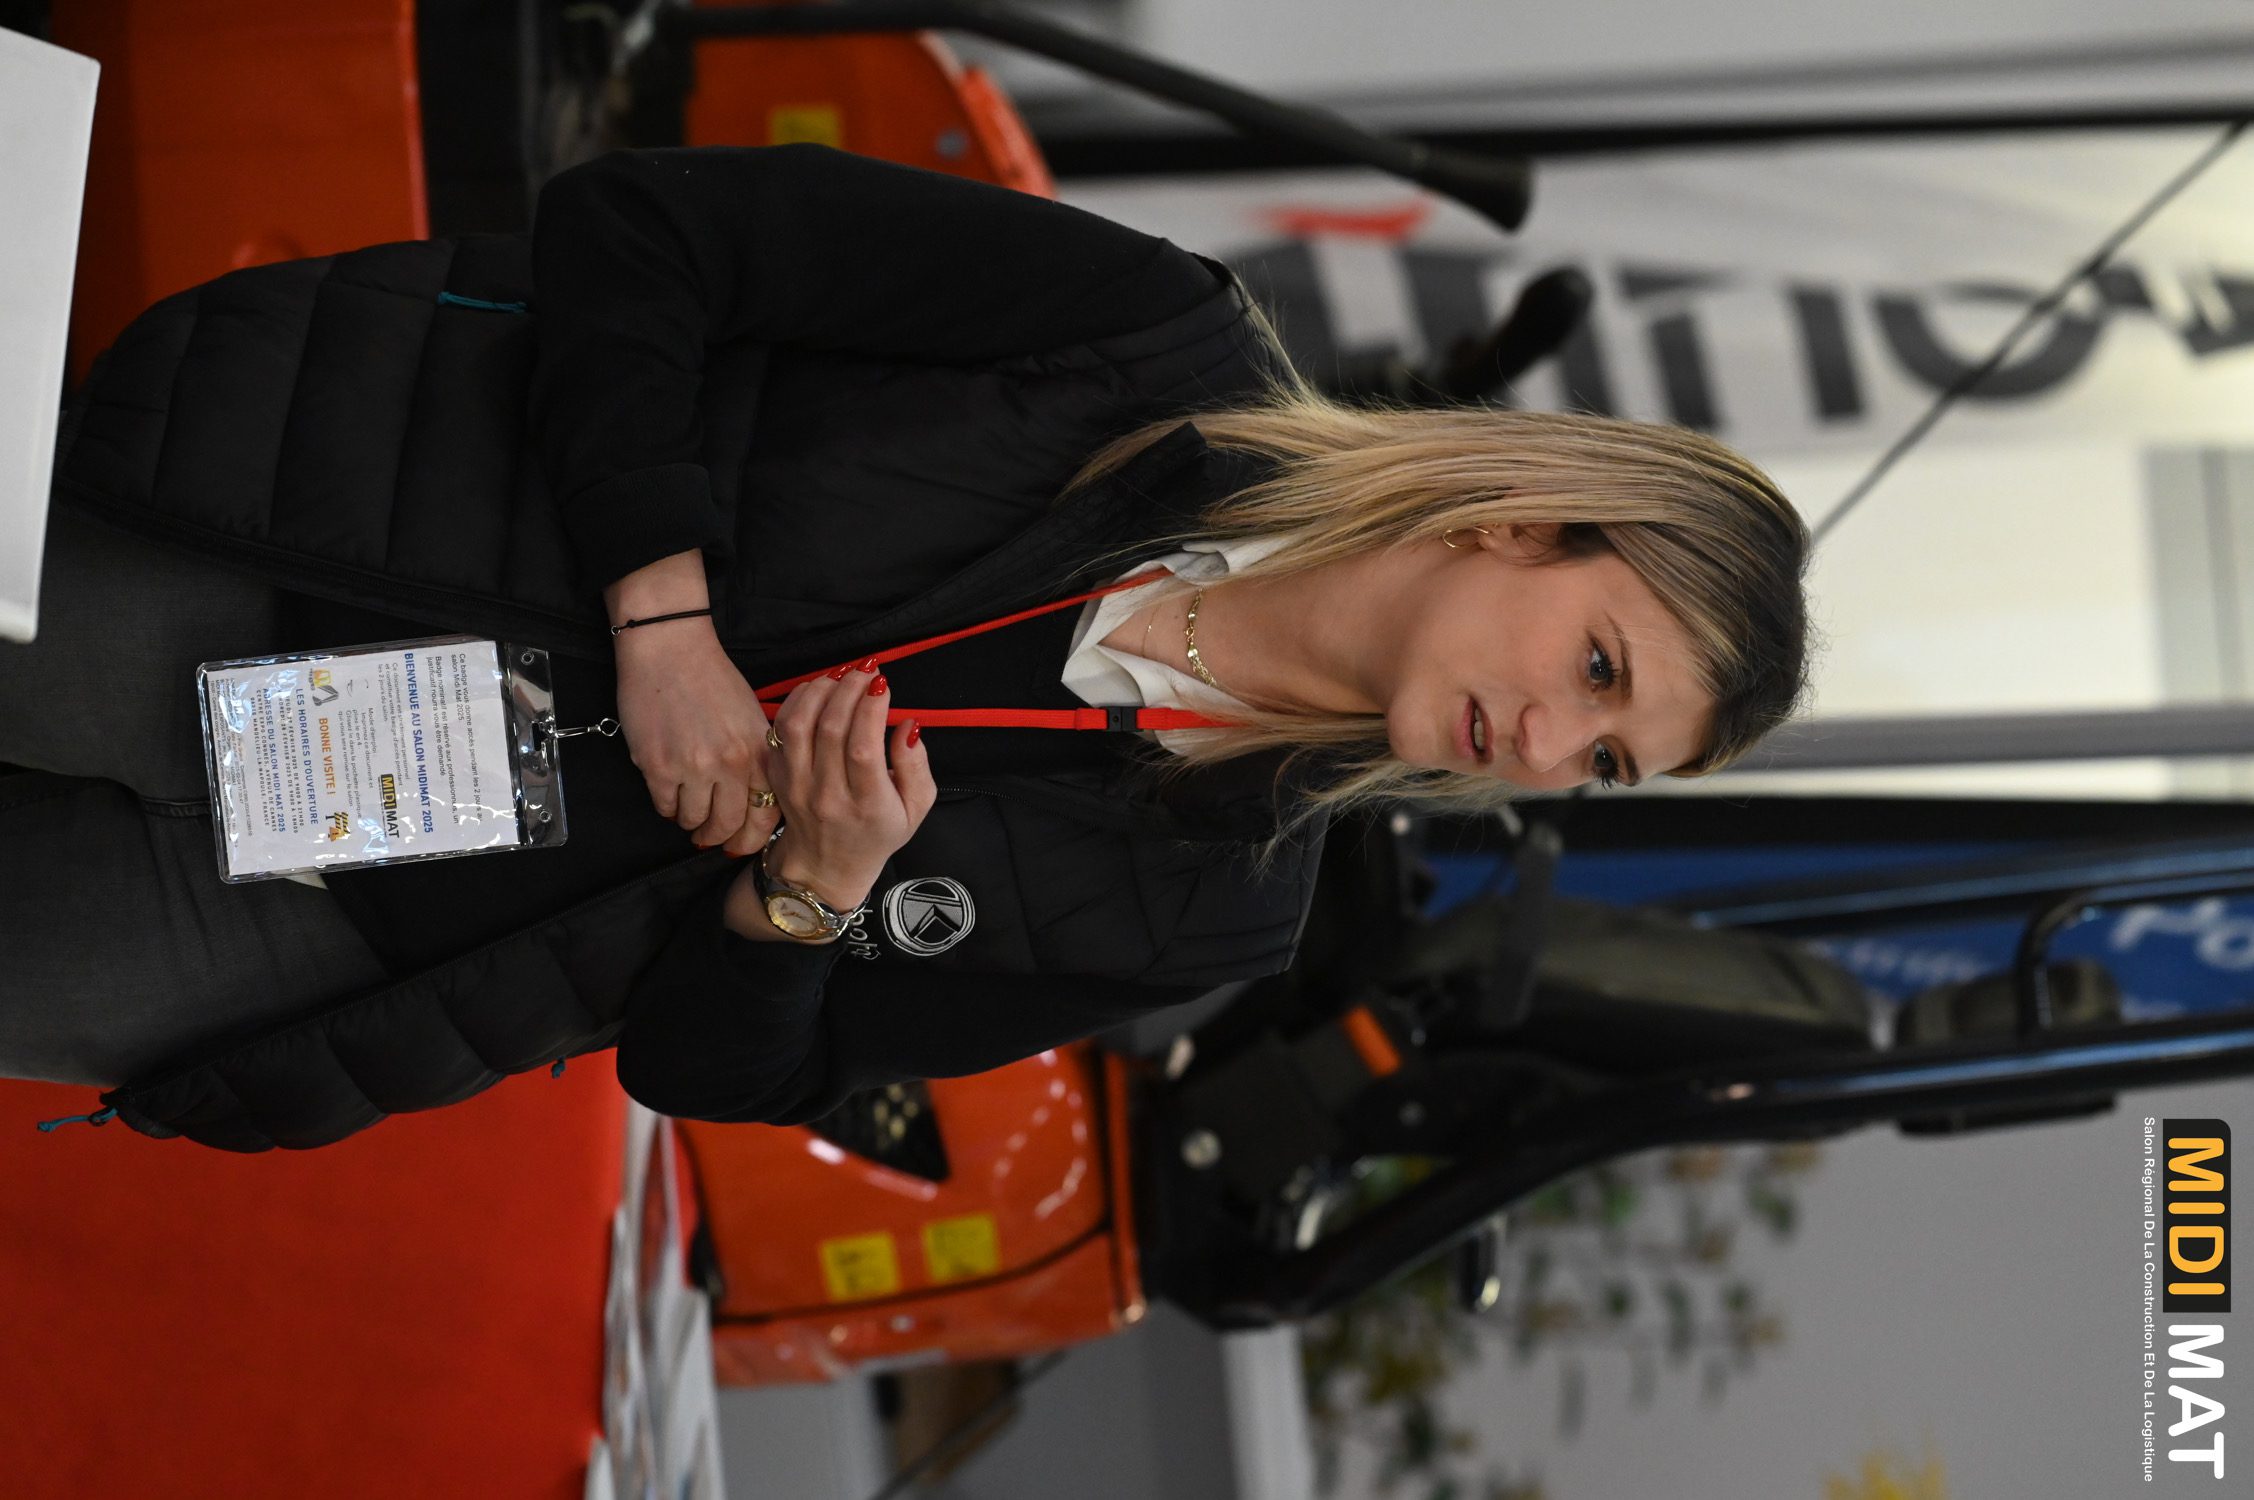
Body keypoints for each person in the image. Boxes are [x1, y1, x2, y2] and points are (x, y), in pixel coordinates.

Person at [2, 143, 1811, 1152]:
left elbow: (721, 1074)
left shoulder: (1212, 920)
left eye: (1603, 763)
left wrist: (806, 894)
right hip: (264, 567)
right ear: (1525, 517)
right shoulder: (1148, 346)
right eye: (1597, 669)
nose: (1541, 747)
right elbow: (644, 233)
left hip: (321, 927)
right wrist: (661, 610)